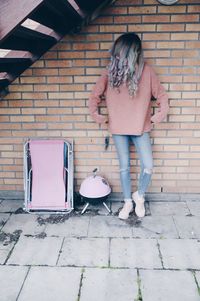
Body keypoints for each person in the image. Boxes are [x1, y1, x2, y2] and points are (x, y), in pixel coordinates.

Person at [88, 32, 169, 220]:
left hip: (141, 127)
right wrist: (98, 116)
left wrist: (158, 116)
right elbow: (94, 96)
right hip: (118, 128)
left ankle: (139, 196)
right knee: (124, 167)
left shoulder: (146, 71)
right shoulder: (110, 71)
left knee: (148, 165)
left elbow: (162, 95)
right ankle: (127, 202)